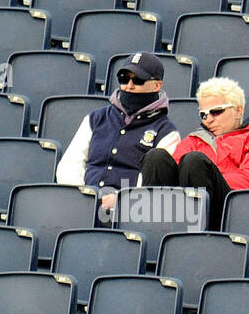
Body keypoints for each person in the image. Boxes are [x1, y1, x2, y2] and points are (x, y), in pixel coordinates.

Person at [139, 76, 249, 231]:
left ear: (238, 111)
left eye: (216, 112)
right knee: (156, 157)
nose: (208, 119)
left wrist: (211, 176)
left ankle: (196, 231)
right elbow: (172, 174)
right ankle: (153, 229)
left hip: (229, 212)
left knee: (195, 162)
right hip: (182, 209)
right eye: (203, 114)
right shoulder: (193, 141)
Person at [56, 51, 182, 212]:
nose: (129, 85)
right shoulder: (95, 118)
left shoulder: (167, 132)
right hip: (83, 205)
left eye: (138, 80)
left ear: (157, 85)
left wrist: (121, 201)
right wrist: (84, 198)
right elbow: (70, 164)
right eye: (124, 79)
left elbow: (152, 185)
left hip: (128, 212)